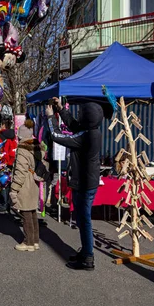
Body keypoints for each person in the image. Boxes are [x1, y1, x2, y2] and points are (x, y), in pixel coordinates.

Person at [46, 98, 103, 271]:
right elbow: (73, 125)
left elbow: (57, 136)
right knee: (82, 219)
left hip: (84, 184)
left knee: (84, 220)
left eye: (81, 114)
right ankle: (86, 251)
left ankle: (88, 258)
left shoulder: (85, 137)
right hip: (88, 182)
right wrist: (61, 109)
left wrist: (50, 118)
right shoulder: (92, 132)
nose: (78, 116)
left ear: (87, 117)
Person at [9, 119, 41, 252]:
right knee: (33, 212)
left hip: (25, 183)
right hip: (34, 182)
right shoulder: (37, 147)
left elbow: (20, 171)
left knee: (26, 212)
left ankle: (28, 242)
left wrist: (14, 189)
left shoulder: (23, 150)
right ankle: (35, 241)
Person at [0, 118, 17, 214]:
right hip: (13, 162)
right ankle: (9, 204)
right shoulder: (14, 135)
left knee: (3, 183)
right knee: (10, 183)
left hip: (4, 161)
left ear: (4, 126)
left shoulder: (1, 135)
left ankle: (4, 204)